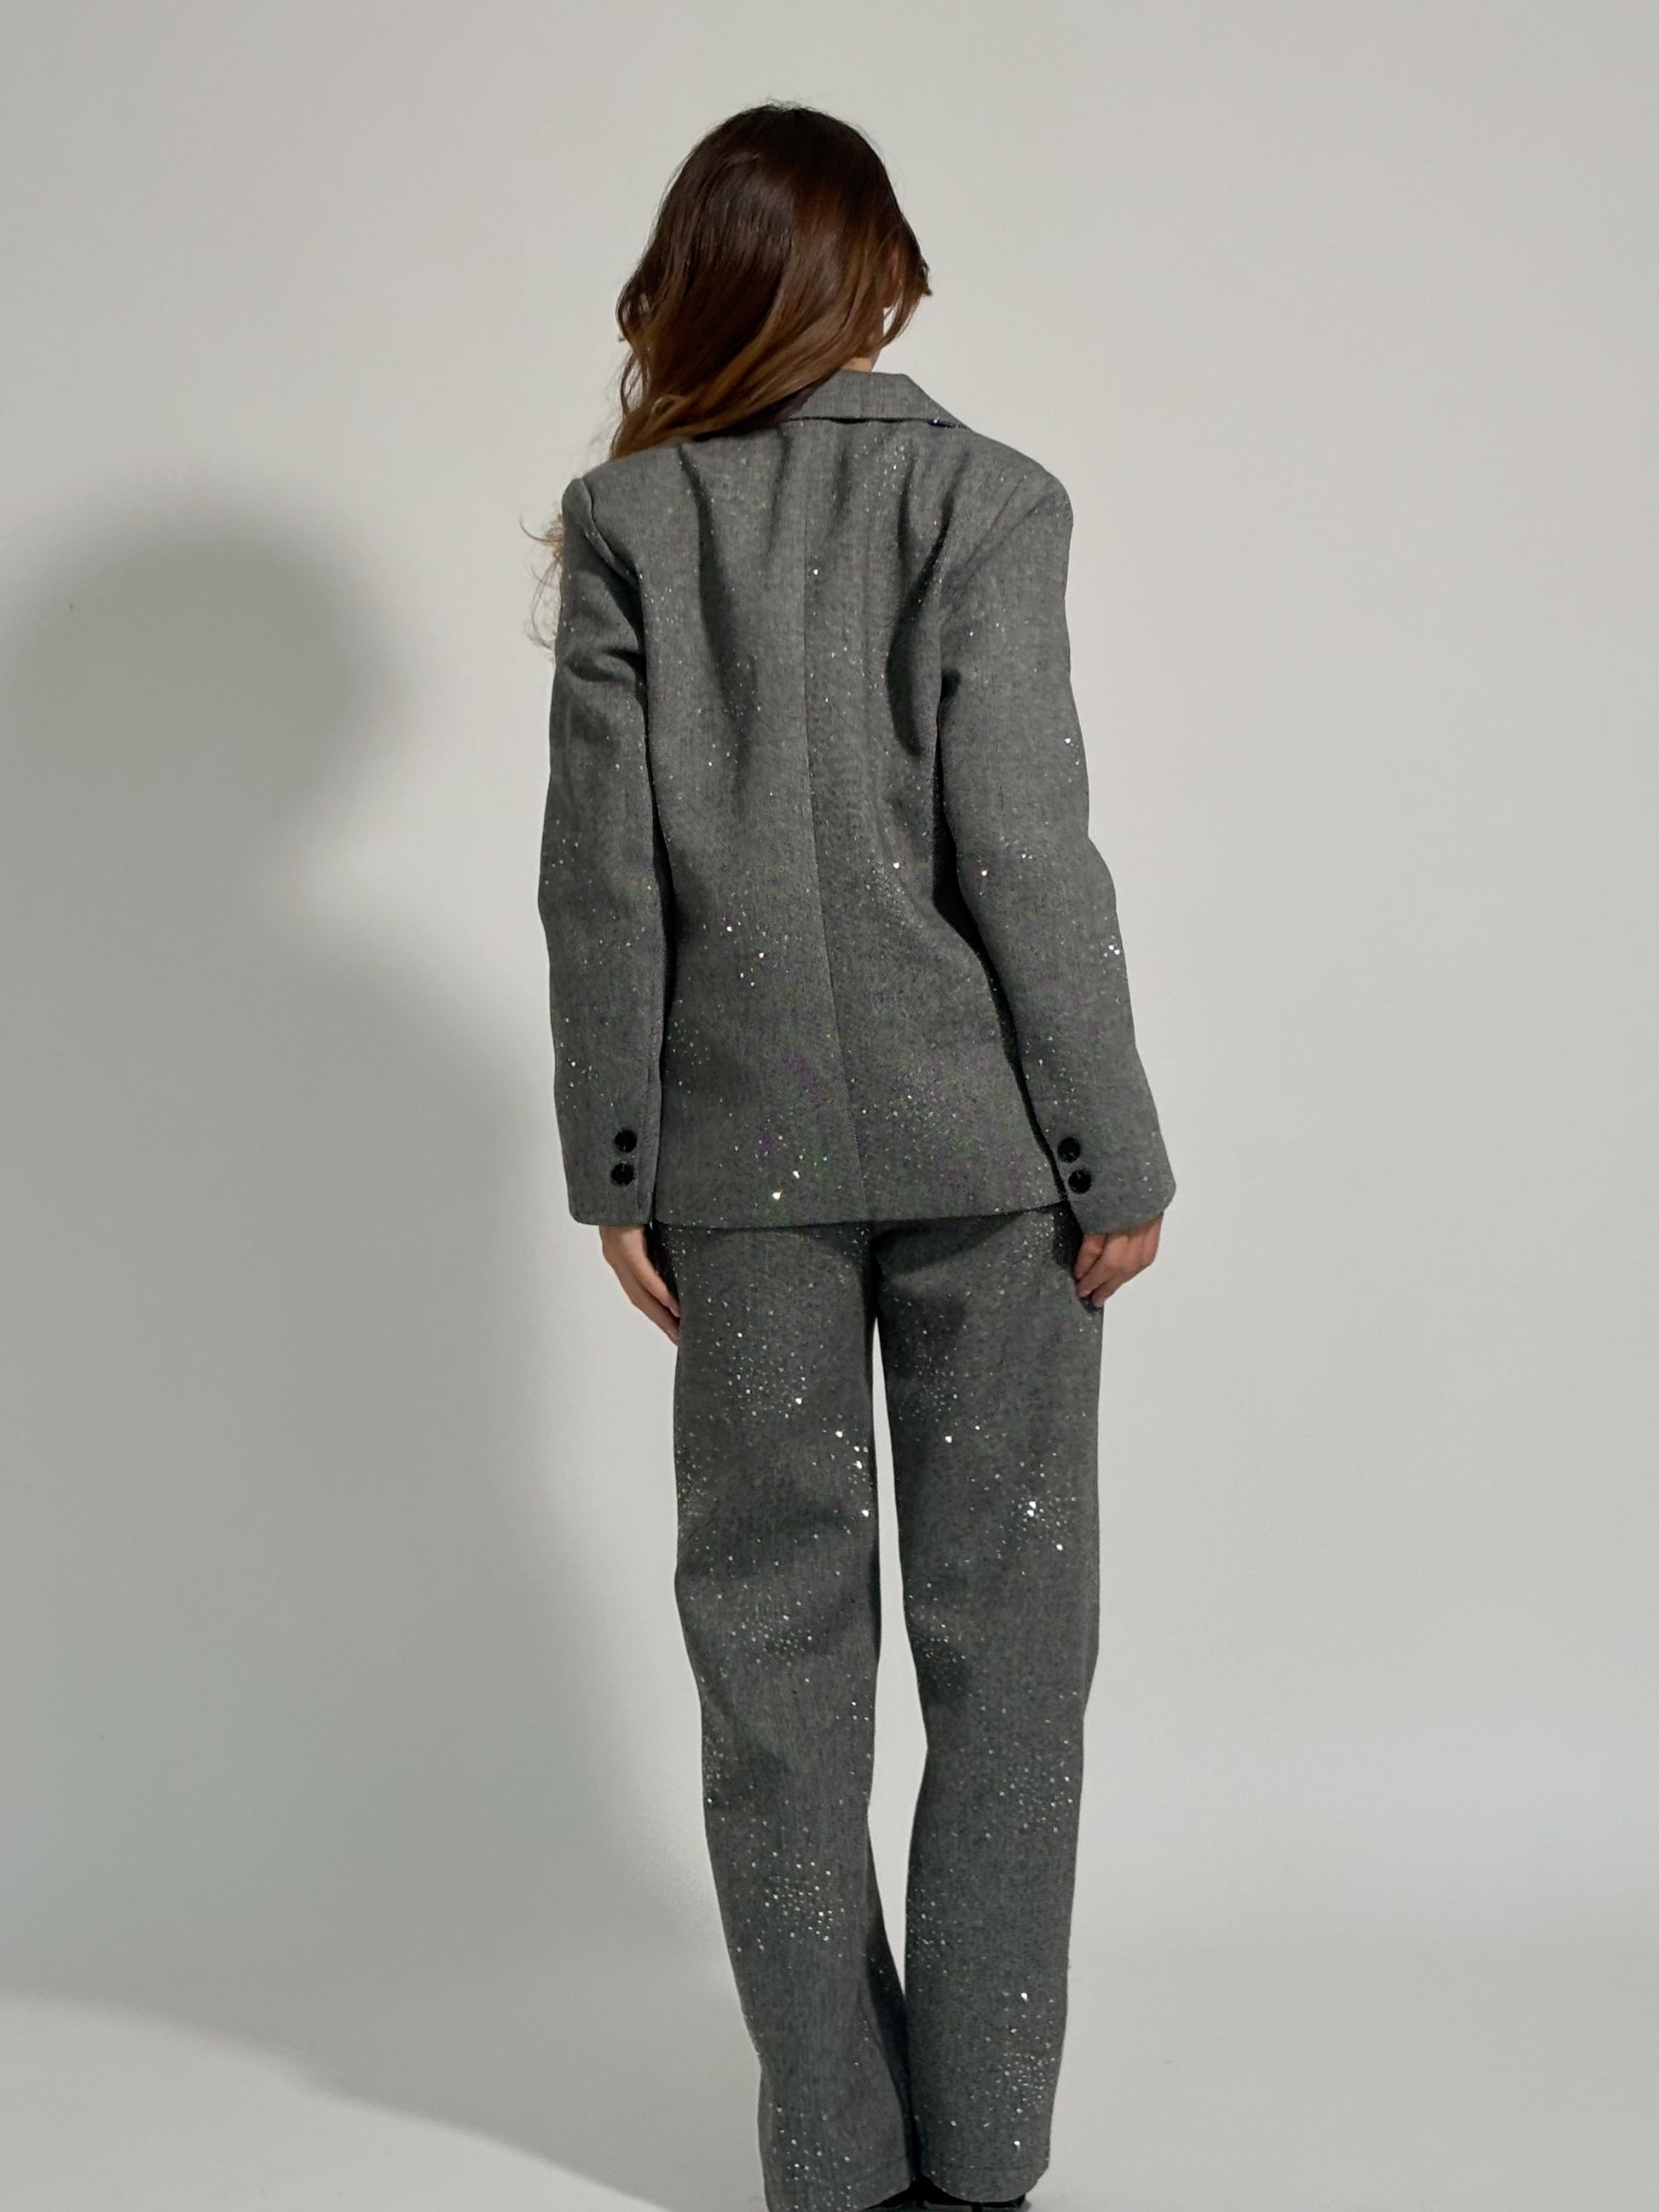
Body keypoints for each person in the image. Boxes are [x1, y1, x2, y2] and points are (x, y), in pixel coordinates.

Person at [533, 101, 1176, 2212]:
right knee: (1011, 1659)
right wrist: (1111, 1147)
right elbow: (1027, 848)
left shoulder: (631, 519)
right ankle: (980, 2157)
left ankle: (831, 2150)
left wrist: (622, 1156)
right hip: (992, 1156)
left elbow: (600, 878)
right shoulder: (987, 498)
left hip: (738, 1169)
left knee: (774, 1672)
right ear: (877, 274)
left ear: (701, 281)